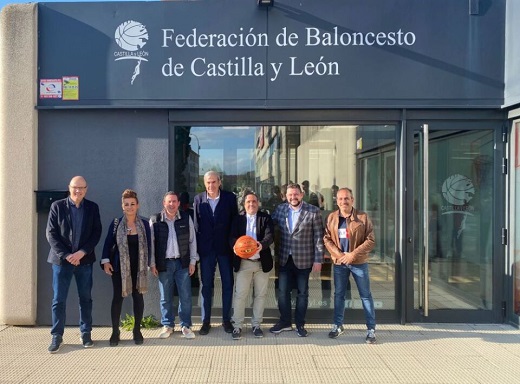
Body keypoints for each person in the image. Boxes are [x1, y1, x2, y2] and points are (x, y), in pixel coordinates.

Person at [46, 176, 102, 353]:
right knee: (58, 300)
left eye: (82, 188)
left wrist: (82, 252)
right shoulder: (57, 206)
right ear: (69, 188)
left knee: (85, 299)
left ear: (86, 189)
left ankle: (85, 333)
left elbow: (96, 232)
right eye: (75, 188)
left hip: (84, 261)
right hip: (62, 262)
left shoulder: (92, 207)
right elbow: (51, 233)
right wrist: (67, 255)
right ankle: (57, 336)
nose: (78, 191)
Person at [270, 183, 324, 337]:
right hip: (285, 258)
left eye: (295, 194)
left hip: (304, 259)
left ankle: (300, 324)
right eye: (290, 195)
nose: (293, 197)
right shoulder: (281, 209)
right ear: (285, 196)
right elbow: (268, 224)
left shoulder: (313, 211)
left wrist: (318, 260)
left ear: (302, 194)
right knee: (282, 292)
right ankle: (285, 322)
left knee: (302, 293)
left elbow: (319, 237)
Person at [323, 187, 377, 344]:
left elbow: (371, 240)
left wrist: (353, 254)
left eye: (346, 198)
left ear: (352, 200)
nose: (343, 201)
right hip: (340, 263)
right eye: (340, 199)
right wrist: (340, 256)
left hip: (358, 262)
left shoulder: (362, 217)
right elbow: (327, 238)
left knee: (365, 295)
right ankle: (338, 325)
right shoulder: (332, 217)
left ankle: (371, 329)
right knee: (339, 294)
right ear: (336, 201)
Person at [101, 189, 151, 346]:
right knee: (118, 298)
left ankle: (137, 330)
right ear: (122, 206)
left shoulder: (144, 224)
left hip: (139, 268)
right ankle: (115, 331)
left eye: (132, 204)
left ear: (138, 205)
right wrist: (106, 262)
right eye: (126, 204)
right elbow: (108, 243)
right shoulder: (116, 224)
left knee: (138, 297)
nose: (129, 207)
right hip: (119, 268)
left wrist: (152, 263)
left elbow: (151, 245)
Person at [193, 170, 238, 335]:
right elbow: (197, 226)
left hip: (225, 250)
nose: (211, 185)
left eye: (214, 182)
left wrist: (234, 244)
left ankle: (226, 320)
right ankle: (206, 321)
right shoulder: (198, 199)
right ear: (204, 184)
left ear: (219, 182)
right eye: (208, 182)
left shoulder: (229, 198)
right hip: (206, 250)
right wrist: (197, 251)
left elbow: (234, 222)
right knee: (206, 286)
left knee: (227, 285)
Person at [149, 191, 198, 340]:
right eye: (169, 202)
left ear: (178, 203)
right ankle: (168, 325)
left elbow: (192, 241)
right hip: (164, 263)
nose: (171, 204)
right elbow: (151, 244)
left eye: (174, 201)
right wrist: (152, 263)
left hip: (182, 263)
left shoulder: (185, 218)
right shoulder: (155, 220)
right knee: (165, 297)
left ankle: (185, 326)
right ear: (164, 203)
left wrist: (192, 261)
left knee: (185, 296)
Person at [229, 191, 274, 340]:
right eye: (248, 202)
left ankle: (256, 325)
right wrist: (235, 246)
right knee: (240, 295)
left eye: (254, 201)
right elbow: (231, 237)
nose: (251, 204)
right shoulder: (238, 219)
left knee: (260, 295)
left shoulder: (265, 218)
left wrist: (262, 245)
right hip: (244, 263)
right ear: (244, 204)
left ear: (258, 203)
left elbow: (269, 236)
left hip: (261, 263)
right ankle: (237, 326)